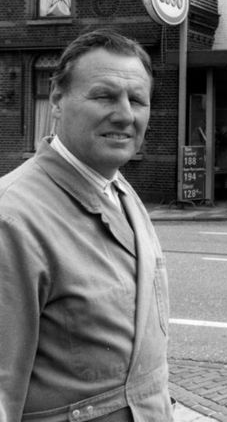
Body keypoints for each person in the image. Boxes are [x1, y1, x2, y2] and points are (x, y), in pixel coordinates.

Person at [0, 30, 172, 421]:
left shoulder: (118, 188)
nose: (125, 114)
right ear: (57, 101)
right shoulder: (11, 218)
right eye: (104, 96)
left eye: (137, 100)